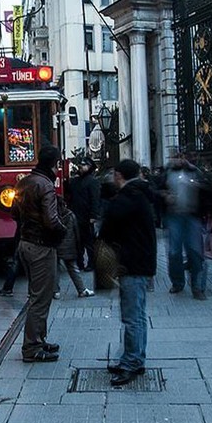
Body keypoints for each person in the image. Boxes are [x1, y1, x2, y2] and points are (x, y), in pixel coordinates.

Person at [99, 159, 157, 386]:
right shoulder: (140, 193)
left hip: (132, 263)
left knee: (132, 316)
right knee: (138, 315)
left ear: (118, 175)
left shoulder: (127, 198)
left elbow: (107, 228)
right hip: (141, 261)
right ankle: (135, 358)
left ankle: (131, 362)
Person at [12, 144, 66, 363]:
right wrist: (64, 231)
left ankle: (39, 339)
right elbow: (51, 220)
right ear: (54, 163)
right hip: (41, 246)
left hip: (25, 242)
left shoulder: (25, 181)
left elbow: (13, 212)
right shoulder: (46, 185)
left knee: (38, 295)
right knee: (40, 298)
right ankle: (32, 347)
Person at [161, 152, 210, 300]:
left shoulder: (195, 171)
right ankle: (177, 282)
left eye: (180, 157)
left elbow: (207, 189)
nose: (177, 160)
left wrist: (198, 187)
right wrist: (165, 196)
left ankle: (198, 286)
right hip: (173, 216)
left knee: (195, 251)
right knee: (174, 252)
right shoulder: (167, 172)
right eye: (174, 157)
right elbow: (157, 189)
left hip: (192, 216)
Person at [55, 196, 94, 299]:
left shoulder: (52, 216)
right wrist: (78, 247)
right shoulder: (70, 215)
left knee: (55, 269)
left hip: (56, 246)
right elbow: (76, 232)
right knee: (73, 268)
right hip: (69, 247)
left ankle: (55, 291)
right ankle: (81, 290)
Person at [68, 158, 101, 272]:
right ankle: (80, 263)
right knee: (78, 242)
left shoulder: (92, 181)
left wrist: (93, 215)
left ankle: (91, 263)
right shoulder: (75, 181)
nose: (81, 167)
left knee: (89, 242)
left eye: (84, 165)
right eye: (80, 165)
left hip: (87, 217)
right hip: (76, 215)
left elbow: (95, 199)